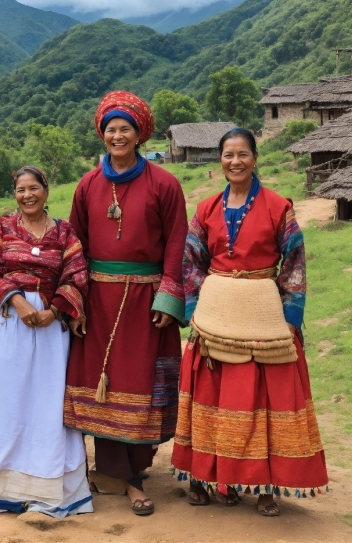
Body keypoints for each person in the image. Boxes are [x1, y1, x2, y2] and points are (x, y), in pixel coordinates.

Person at [171, 127, 328, 516]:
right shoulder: (206, 209)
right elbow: (191, 262)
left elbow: (293, 262)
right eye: (228, 155)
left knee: (262, 400)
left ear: (255, 158)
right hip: (216, 314)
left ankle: (264, 487)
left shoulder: (278, 207)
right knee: (210, 397)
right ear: (220, 159)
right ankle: (204, 477)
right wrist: (195, 312)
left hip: (262, 314)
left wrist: (291, 318)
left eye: (243, 154)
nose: (235, 162)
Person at [63, 91, 188, 516]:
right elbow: (74, 246)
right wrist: (75, 302)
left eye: (125, 128)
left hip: (147, 300)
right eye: (110, 129)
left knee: (143, 384)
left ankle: (136, 464)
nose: (117, 135)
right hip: (98, 300)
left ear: (139, 134)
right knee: (105, 386)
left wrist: (169, 297)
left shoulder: (164, 183)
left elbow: (176, 241)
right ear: (102, 134)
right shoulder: (87, 185)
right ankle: (124, 476)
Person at [0, 166, 93, 517]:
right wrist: (16, 300)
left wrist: (57, 310)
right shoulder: (2, 228)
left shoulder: (65, 233)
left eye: (34, 188)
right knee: (5, 399)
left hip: (51, 332)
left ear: (46, 190)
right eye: (21, 189)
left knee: (47, 402)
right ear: (14, 194)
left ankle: (48, 489)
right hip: (10, 326)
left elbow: (77, 274)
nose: (28, 195)